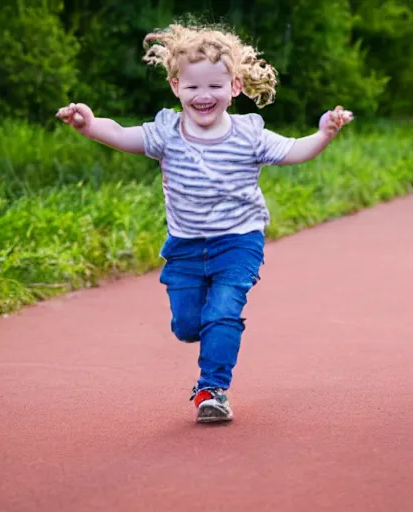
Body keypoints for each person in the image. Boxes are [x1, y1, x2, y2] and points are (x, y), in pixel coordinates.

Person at [56, 23, 353, 424]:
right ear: (176, 86)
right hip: (185, 246)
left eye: (215, 86)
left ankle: (212, 390)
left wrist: (323, 134)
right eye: (193, 87)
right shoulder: (167, 133)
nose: (203, 96)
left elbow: (295, 151)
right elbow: (122, 134)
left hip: (239, 241)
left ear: (234, 86)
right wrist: (89, 126)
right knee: (187, 325)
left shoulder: (250, 134)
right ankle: (209, 335)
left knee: (223, 312)